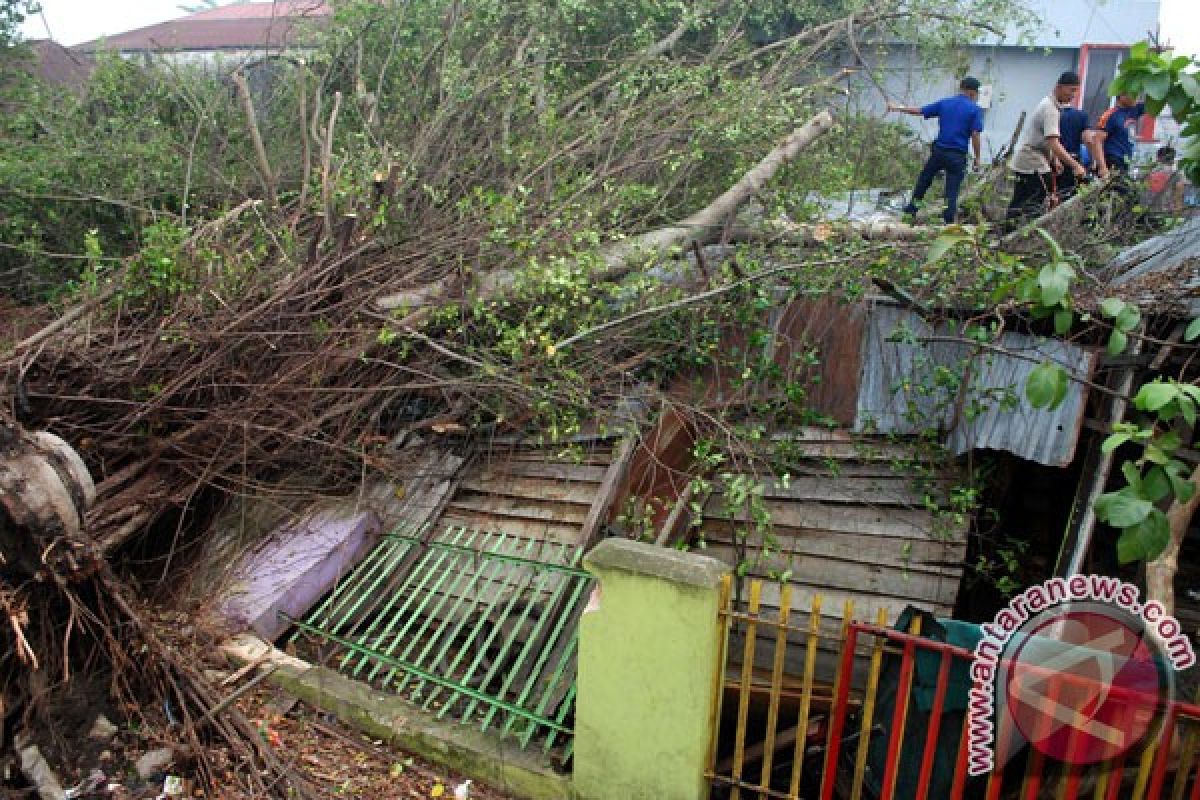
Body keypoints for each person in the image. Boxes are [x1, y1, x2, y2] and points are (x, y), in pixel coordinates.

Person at [887, 76, 984, 224]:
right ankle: (948, 222)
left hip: (939, 151)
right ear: (972, 93)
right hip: (957, 156)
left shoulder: (945, 103)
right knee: (951, 190)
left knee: (924, 180)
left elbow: (919, 111)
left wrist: (897, 108)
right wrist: (977, 157)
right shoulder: (975, 110)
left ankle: (911, 211)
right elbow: (975, 134)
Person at [1005, 71, 1088, 230]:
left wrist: (1054, 160)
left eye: (1075, 91)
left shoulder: (1049, 104)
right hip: (1032, 161)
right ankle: (1027, 236)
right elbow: (1054, 143)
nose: (1073, 95)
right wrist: (1075, 165)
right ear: (1059, 87)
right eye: (1071, 90)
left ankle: (1009, 233)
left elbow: (1047, 141)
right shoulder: (1050, 109)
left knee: (1020, 199)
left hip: (1028, 159)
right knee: (1036, 201)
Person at [1089, 93, 1146, 178]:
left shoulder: (1134, 110)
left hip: (1126, 161)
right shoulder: (1110, 115)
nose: (1136, 98)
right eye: (1133, 95)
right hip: (1112, 161)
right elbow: (1097, 140)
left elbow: (1156, 99)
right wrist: (1102, 167)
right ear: (1122, 95)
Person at [1056, 105, 1090, 200]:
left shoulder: (1055, 114)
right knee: (1070, 193)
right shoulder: (1082, 115)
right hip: (1073, 159)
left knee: (1055, 192)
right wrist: (1094, 160)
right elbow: (1088, 139)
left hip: (1056, 159)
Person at [1142, 145, 1186, 216]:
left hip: (1145, 214)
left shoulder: (1146, 173)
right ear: (1173, 159)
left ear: (1158, 158)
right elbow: (1178, 198)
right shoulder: (1177, 175)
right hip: (1166, 215)